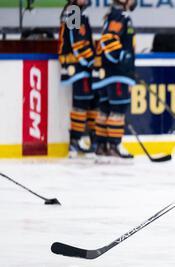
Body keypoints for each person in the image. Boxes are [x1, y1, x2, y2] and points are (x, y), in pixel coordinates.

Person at [94, 0, 137, 158]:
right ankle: (113, 146)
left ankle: (101, 146)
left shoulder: (112, 15)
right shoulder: (120, 16)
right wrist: (123, 58)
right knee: (117, 110)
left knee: (105, 109)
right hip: (117, 74)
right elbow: (108, 39)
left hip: (108, 73)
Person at [58, 0, 96, 157]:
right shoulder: (73, 11)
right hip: (78, 66)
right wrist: (93, 61)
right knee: (81, 103)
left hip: (82, 66)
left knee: (90, 102)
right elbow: (77, 43)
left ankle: (92, 139)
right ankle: (75, 142)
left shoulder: (78, 12)